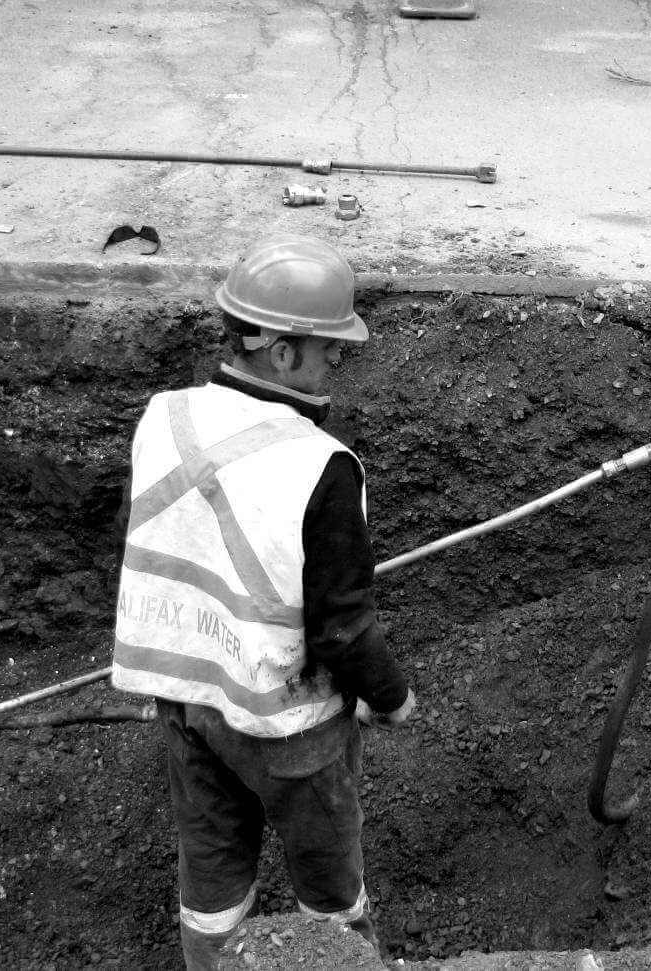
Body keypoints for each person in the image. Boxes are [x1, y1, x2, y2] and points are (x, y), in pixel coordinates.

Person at [111, 235, 414, 969]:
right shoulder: (323, 466)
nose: (338, 360)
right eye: (328, 347)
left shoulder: (165, 417)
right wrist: (392, 694)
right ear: (280, 352)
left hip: (187, 700)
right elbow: (341, 629)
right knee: (331, 892)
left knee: (211, 881)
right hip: (290, 727)